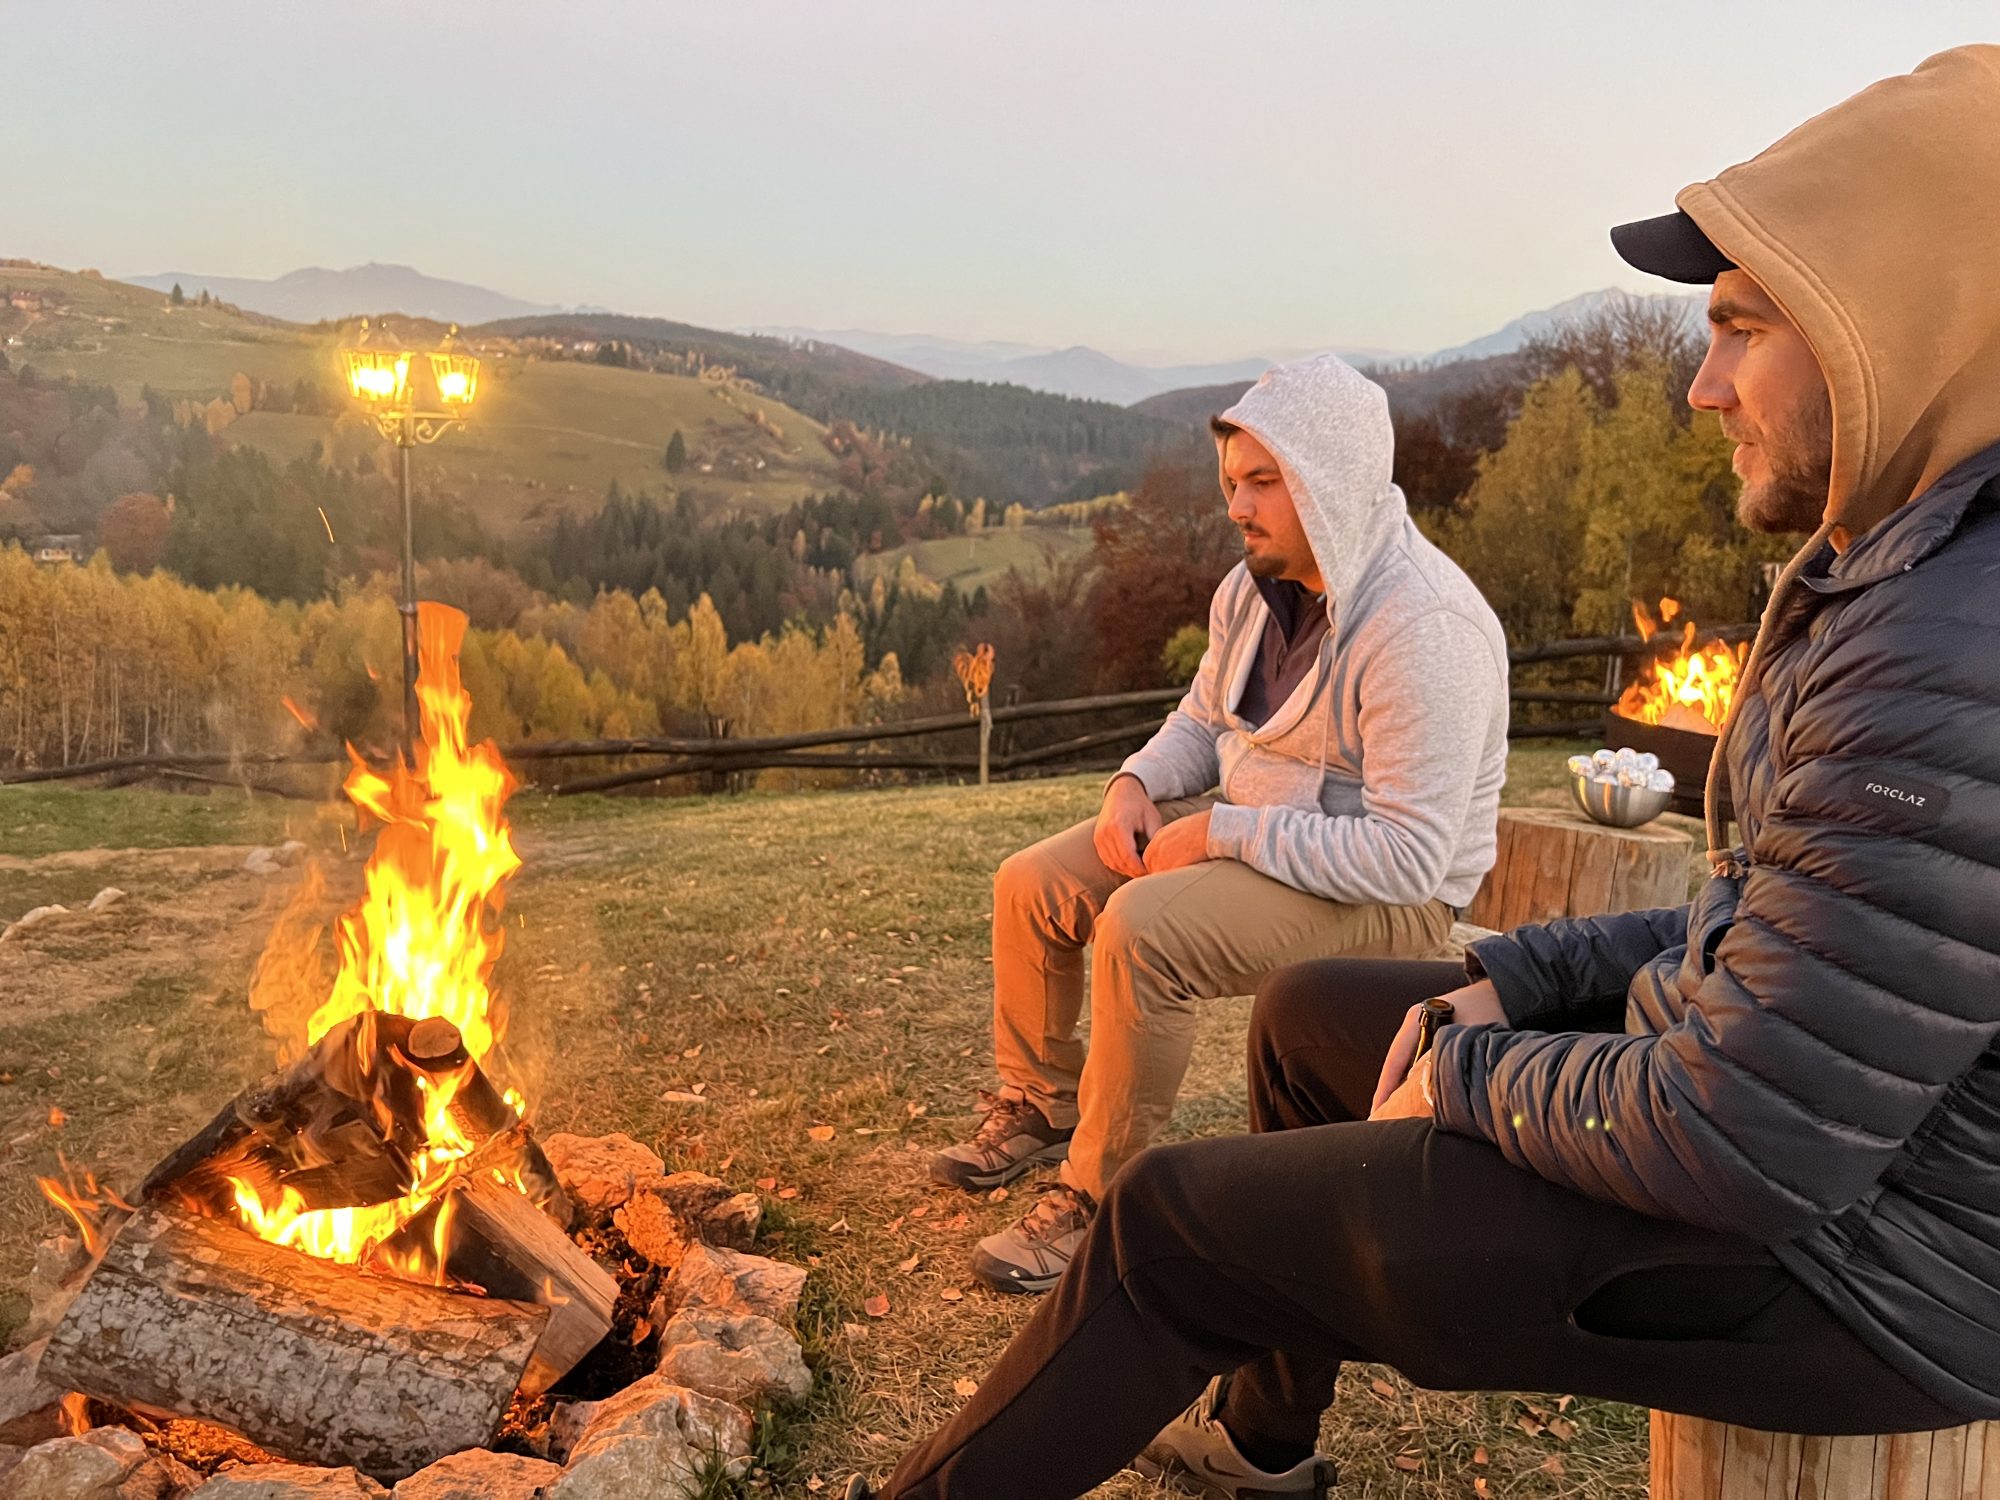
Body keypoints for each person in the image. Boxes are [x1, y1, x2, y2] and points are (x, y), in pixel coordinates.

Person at [849, 43, 2000, 1499]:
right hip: (1814, 1148)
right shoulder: (1899, 578)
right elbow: (1781, 918)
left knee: (1169, 1224)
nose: (1699, 388)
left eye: (1739, 327)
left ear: (1894, 327)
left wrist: (1469, 1077)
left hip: (1869, 1270)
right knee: (1307, 1021)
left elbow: (1746, 1134)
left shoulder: (1943, 645)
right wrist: (1516, 980)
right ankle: (1265, 1439)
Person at [932, 352, 1510, 1295]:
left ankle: (1103, 1197)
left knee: (1142, 932)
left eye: (1263, 482)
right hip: (1266, 838)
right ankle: (1042, 1105)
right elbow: (1203, 722)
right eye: (1232, 481)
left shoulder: (1424, 627)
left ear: (1331, 480)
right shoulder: (1253, 590)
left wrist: (1218, 834)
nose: (1237, 506)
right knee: (1032, 882)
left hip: (1392, 900)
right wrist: (1136, 783)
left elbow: (1409, 858)